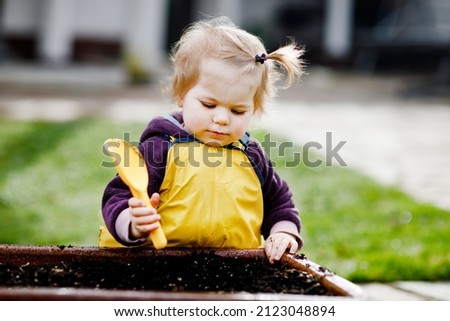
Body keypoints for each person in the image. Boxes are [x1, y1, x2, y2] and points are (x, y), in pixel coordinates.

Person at [101, 16, 305, 263]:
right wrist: (133, 224)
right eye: (209, 104)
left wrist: (283, 233)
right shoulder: (162, 147)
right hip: (153, 264)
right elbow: (119, 196)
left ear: (254, 108)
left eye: (237, 111)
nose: (221, 119)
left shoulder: (251, 156)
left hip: (235, 267)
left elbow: (280, 203)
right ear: (181, 95)